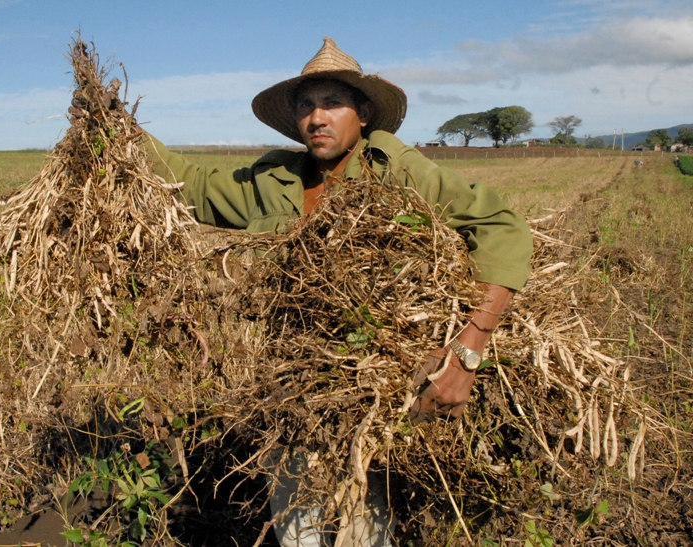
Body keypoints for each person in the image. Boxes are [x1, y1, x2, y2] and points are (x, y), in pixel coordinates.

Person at [142, 37, 533, 547]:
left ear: (364, 113)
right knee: (299, 535)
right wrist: (120, 129)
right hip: (290, 395)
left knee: (365, 533)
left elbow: (499, 225)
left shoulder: (395, 169)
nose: (317, 117)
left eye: (332, 103)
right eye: (306, 105)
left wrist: (465, 353)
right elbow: (189, 184)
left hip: (377, 394)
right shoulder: (275, 178)